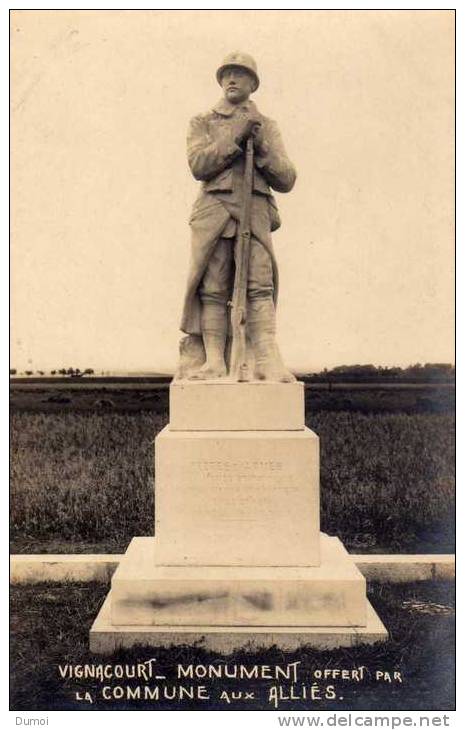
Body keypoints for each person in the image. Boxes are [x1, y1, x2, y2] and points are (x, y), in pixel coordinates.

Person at [179, 52, 296, 381]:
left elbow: (287, 178)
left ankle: (266, 359)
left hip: (254, 211)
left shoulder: (266, 126)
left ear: (253, 84)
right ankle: (214, 360)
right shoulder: (202, 121)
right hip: (215, 210)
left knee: (260, 283)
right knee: (213, 286)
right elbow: (198, 165)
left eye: (240, 74)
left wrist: (260, 148)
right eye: (227, 74)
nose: (232, 79)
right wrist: (235, 138)